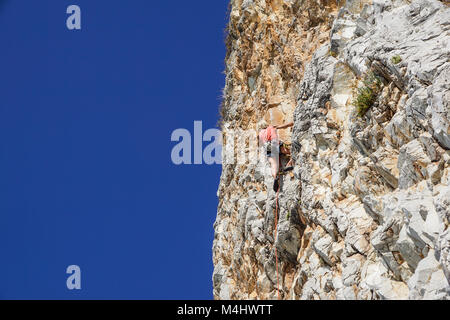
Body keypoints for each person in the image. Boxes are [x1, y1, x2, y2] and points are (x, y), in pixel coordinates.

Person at [258, 122, 294, 191]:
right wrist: (291, 123)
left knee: (273, 165)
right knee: (291, 151)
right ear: (266, 125)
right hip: (275, 143)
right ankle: (289, 164)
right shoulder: (271, 127)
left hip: (268, 147)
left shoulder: (260, 134)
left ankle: (275, 177)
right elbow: (283, 126)